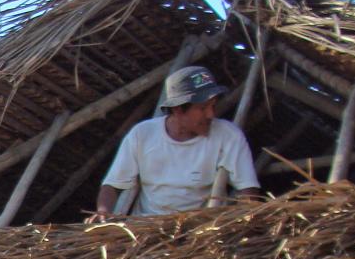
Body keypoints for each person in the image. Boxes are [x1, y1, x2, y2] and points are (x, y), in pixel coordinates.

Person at [92, 65, 262, 219]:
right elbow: (112, 185)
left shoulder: (228, 135)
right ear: (178, 109)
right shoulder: (142, 135)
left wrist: (242, 220)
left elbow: (247, 189)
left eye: (213, 106)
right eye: (203, 108)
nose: (210, 114)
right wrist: (104, 214)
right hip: (146, 228)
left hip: (200, 231)